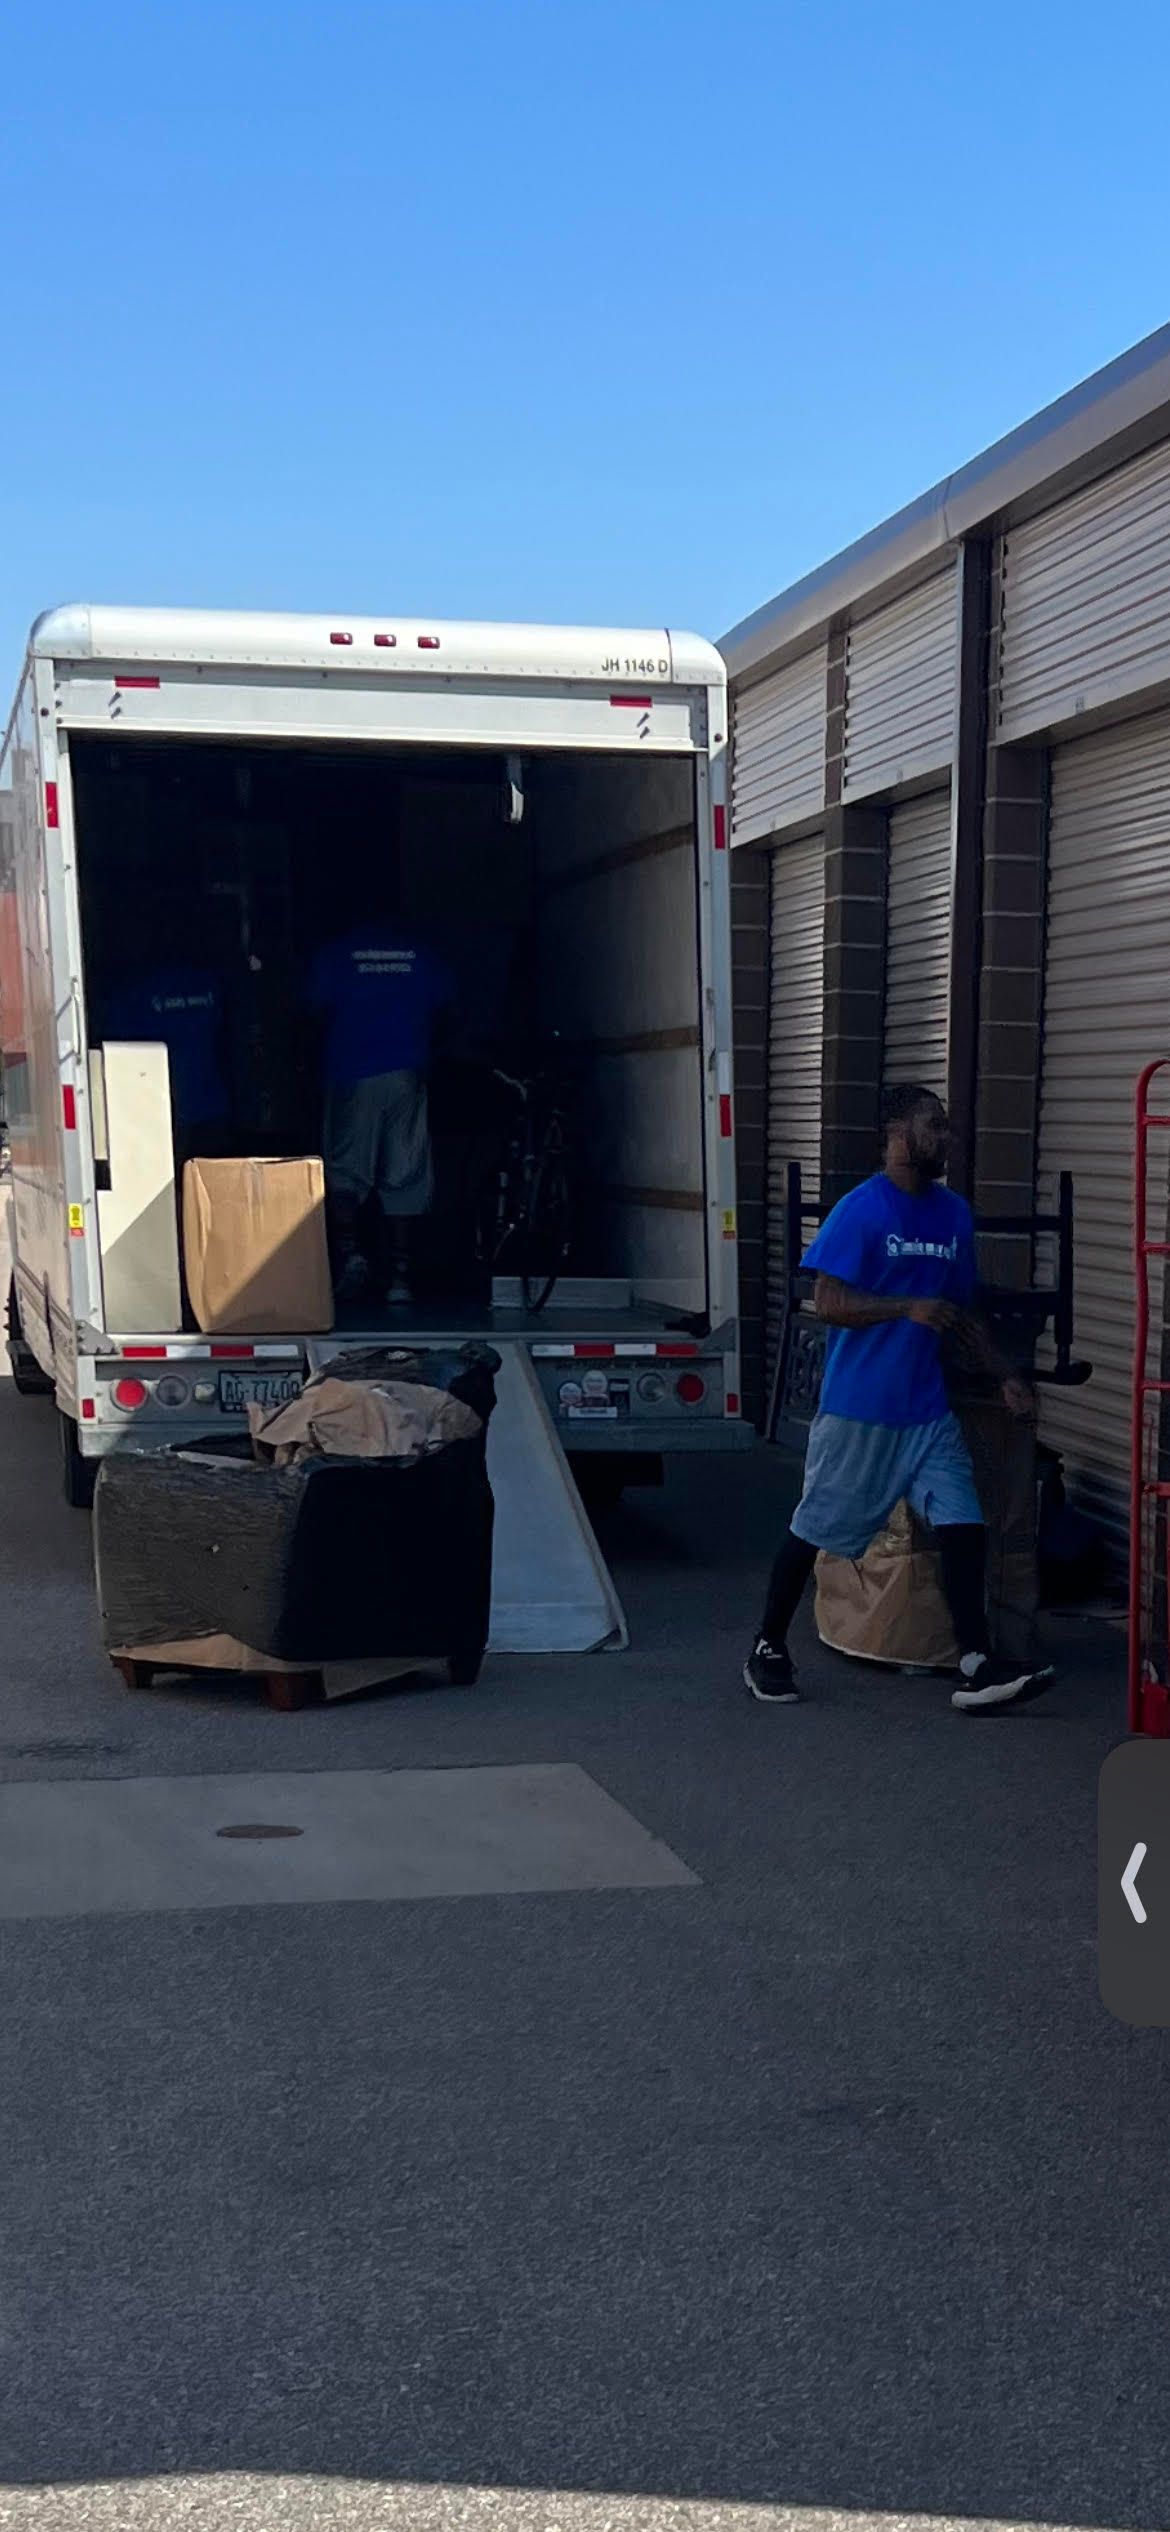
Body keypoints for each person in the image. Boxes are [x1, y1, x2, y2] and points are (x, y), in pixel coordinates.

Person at [744, 1083, 1053, 1715]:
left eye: (946, 1125)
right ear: (895, 1133)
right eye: (933, 1125)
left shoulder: (953, 1215)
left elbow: (960, 1315)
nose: (946, 1137)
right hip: (862, 1409)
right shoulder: (861, 1210)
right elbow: (827, 1301)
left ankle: (977, 1663)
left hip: (928, 1412)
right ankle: (767, 1647)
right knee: (816, 1527)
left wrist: (1004, 1374)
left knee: (964, 1523)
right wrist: (904, 1308)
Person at [308, 915, 453, 1306]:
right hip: (407, 1072)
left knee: (345, 1171)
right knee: (404, 1172)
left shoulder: (336, 954)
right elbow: (447, 1012)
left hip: (350, 1073)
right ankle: (401, 1276)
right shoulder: (420, 953)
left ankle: (350, 1255)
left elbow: (314, 1015)